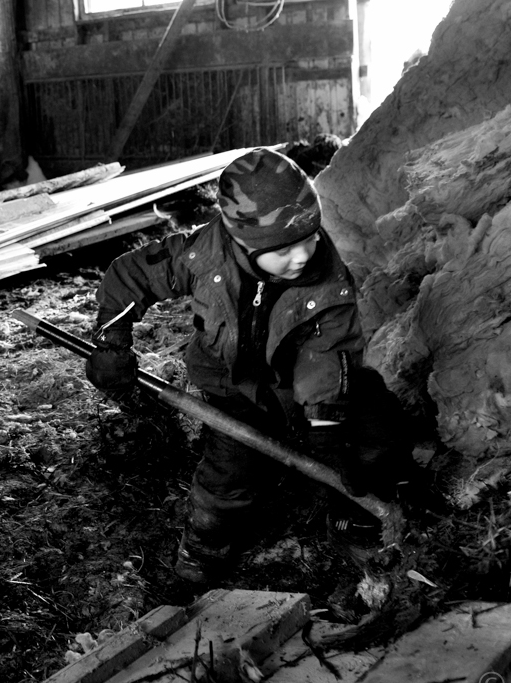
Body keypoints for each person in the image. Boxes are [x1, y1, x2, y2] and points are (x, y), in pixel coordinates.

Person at [86, 147, 409, 584]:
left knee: (374, 433)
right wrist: (111, 343)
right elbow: (131, 275)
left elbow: (328, 352)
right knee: (227, 477)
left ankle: (355, 521)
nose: (305, 255)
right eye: (286, 248)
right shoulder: (202, 254)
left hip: (297, 381)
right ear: (244, 242)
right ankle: (203, 548)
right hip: (231, 386)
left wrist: (326, 425)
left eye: (312, 237)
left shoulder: (328, 280)